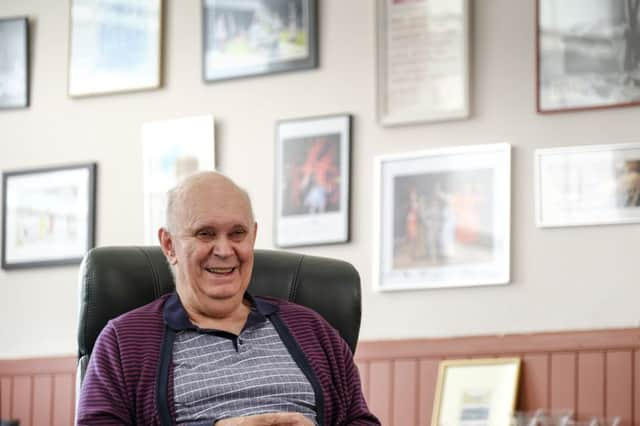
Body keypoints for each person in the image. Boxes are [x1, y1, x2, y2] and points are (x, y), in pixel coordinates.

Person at [76, 171, 379, 426]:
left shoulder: (313, 330)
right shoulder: (122, 342)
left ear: (253, 237)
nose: (224, 250)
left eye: (237, 233)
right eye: (205, 233)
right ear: (169, 245)